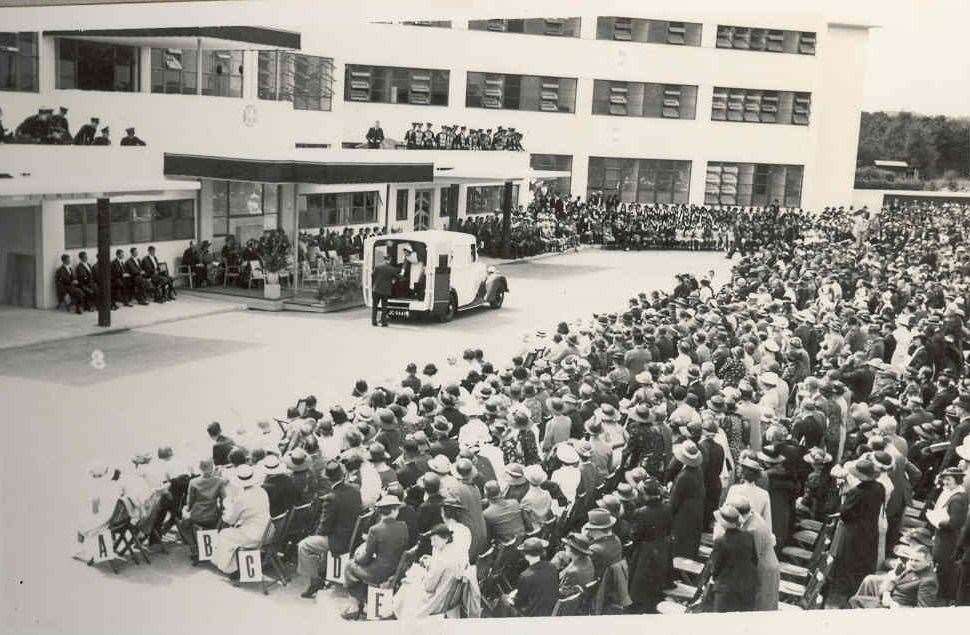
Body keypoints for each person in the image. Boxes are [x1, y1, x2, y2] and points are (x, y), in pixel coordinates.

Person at [299, 461, 363, 598]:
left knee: (303, 546)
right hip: (353, 536)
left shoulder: (331, 498)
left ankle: (315, 581)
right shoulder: (356, 490)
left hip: (339, 541)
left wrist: (314, 536)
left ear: (327, 479)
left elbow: (324, 528)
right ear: (343, 475)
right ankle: (320, 571)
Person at [343, 493, 410, 619]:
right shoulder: (403, 526)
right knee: (359, 568)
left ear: (381, 512)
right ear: (395, 510)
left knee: (349, 566)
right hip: (395, 570)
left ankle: (355, 606)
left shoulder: (375, 529)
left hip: (379, 573)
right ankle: (364, 601)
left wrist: (356, 558)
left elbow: (365, 558)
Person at [830, 459, 886, 602]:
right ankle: (860, 590)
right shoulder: (880, 488)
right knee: (865, 560)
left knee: (849, 561)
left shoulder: (856, 492)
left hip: (854, 532)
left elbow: (845, 513)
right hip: (871, 529)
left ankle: (846, 593)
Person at [393, 523, 467, 619]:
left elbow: (429, 587)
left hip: (436, 600)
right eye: (431, 540)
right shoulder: (452, 551)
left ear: (446, 538)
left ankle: (400, 617)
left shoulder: (441, 560)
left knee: (407, 585)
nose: (432, 544)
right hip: (447, 596)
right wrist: (431, 562)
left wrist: (421, 577)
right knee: (411, 581)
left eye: (435, 540)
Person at [210, 465, 270, 578]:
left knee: (224, 533)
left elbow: (230, 520)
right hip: (267, 531)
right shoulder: (262, 491)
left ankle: (232, 569)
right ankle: (235, 565)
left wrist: (227, 505)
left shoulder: (241, 498)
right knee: (234, 531)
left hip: (254, 536)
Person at [627, 478, 673, 614]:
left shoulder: (641, 512)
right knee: (656, 581)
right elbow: (669, 528)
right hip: (662, 548)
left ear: (645, 494)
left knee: (640, 587)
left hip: (645, 552)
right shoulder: (667, 508)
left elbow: (634, 536)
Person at [847, 544, 939, 608]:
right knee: (870, 580)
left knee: (855, 601)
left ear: (928, 562)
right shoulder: (915, 568)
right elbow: (896, 580)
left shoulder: (928, 581)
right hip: (889, 596)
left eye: (917, 561)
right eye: (911, 559)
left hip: (894, 608)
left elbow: (923, 610)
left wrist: (891, 603)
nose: (912, 563)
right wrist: (887, 592)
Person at [709, 504, 759, 613]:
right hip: (746, 588)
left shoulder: (721, 541)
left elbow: (715, 569)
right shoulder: (749, 536)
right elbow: (755, 560)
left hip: (726, 591)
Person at [177, 458, 226, 563]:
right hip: (213, 517)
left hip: (197, 517)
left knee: (182, 524)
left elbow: (189, 503)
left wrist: (185, 510)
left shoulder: (193, 482)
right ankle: (209, 547)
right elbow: (224, 500)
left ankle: (193, 548)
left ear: (199, 468)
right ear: (212, 467)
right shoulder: (219, 481)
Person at [669, 440, 706, 558]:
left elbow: (674, 502)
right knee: (692, 540)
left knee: (681, 543)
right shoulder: (698, 470)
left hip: (684, 514)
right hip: (697, 510)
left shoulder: (683, 476)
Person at [512, 537, 558, 617]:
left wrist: (511, 598)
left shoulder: (525, 576)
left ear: (525, 555)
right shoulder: (552, 566)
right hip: (550, 609)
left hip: (533, 615)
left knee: (504, 600)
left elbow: (519, 603)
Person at [371, 252, 400, 327]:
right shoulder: (391, 269)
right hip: (385, 291)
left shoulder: (377, 267)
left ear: (384, 259)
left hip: (376, 290)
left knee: (375, 306)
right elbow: (398, 276)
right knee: (384, 307)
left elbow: (373, 276)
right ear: (389, 260)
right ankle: (384, 322)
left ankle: (374, 321)